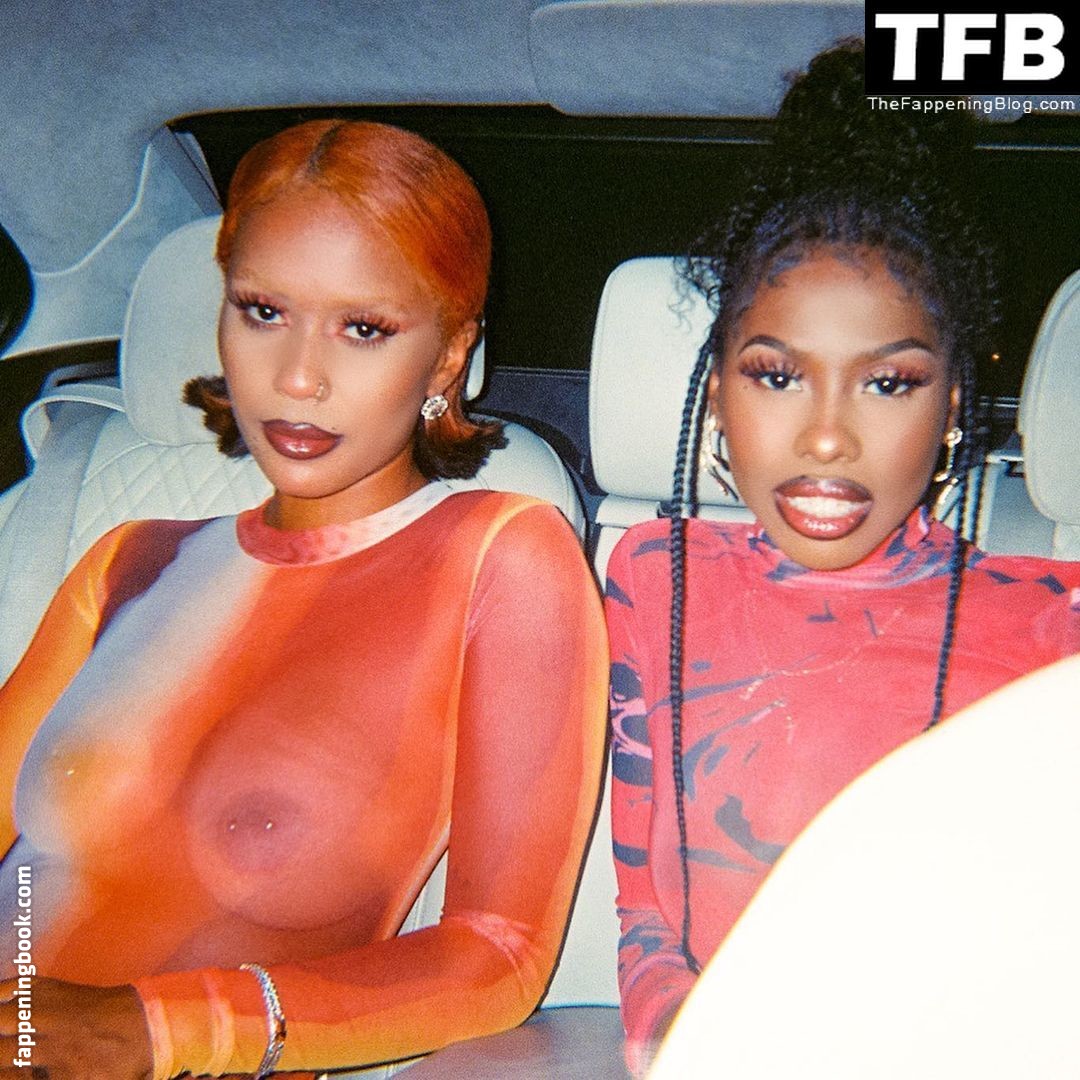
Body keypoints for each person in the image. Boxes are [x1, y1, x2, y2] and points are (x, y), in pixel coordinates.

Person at [0, 120, 608, 1079]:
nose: (297, 377)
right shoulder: (126, 560)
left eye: (363, 329)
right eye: (263, 311)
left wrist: (161, 1029)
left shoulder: (501, 553)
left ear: (447, 357)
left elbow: (498, 956)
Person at [605, 41, 1080, 1077]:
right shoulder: (652, 578)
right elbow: (647, 920)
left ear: (953, 404)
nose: (826, 438)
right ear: (718, 393)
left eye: (888, 383)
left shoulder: (1060, 628)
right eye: (776, 376)